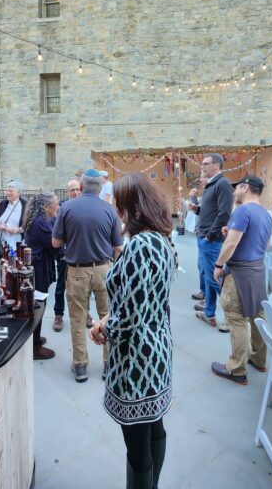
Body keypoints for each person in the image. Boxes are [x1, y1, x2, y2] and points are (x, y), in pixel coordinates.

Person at [89, 173, 176, 489]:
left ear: (133, 208)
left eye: (119, 204)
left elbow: (132, 316)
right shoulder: (162, 239)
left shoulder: (140, 245)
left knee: (139, 444)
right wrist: (113, 317)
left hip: (138, 357)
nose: (115, 210)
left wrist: (104, 326)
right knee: (154, 428)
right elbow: (145, 298)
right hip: (156, 347)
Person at [52, 169, 123, 382]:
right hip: (104, 269)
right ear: (100, 188)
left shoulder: (67, 208)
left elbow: (56, 242)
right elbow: (118, 247)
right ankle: (109, 364)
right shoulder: (109, 210)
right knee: (107, 316)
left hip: (76, 270)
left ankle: (80, 365)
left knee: (77, 318)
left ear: (81, 187)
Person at [210, 176, 272, 386]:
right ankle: (259, 359)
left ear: (245, 187)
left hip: (239, 273)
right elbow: (266, 244)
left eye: (237, 188)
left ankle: (236, 368)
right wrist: (234, 233)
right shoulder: (266, 213)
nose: (234, 192)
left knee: (236, 319)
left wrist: (219, 266)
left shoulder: (242, 211)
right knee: (258, 315)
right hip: (257, 270)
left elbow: (230, 245)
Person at [192, 153, 233, 332]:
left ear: (217, 165)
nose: (202, 167)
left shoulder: (223, 184)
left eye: (206, 164)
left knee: (214, 279)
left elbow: (224, 214)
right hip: (204, 237)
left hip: (211, 239)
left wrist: (209, 235)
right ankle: (209, 313)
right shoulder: (212, 184)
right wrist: (197, 209)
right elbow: (210, 211)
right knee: (209, 278)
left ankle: (231, 318)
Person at [23, 191, 61, 360]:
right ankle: (34, 347)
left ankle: (35, 338)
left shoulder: (40, 220)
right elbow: (54, 246)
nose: (58, 206)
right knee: (39, 304)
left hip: (38, 264)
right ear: (46, 207)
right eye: (56, 204)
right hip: (38, 268)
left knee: (39, 302)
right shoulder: (40, 223)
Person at [53, 178, 81, 332]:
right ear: (67, 192)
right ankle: (58, 314)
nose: (76, 192)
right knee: (61, 286)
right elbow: (57, 232)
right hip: (64, 254)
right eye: (72, 190)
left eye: (77, 189)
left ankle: (85, 313)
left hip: (81, 255)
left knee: (81, 287)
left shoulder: (84, 206)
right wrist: (62, 251)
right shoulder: (61, 207)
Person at [0, 180, 27, 251]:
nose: (8, 193)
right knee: (4, 261)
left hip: (19, 245)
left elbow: (31, 224)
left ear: (19, 192)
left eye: (11, 191)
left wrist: (18, 230)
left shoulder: (26, 205)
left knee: (17, 262)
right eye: (7, 191)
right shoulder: (3, 204)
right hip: (2, 245)